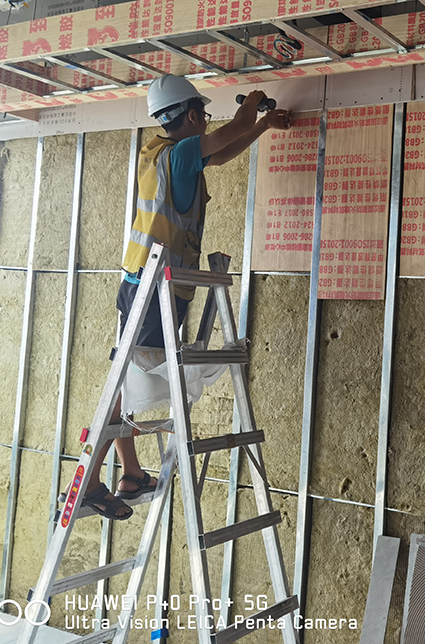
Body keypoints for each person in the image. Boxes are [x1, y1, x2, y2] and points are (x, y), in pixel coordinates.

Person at [78, 75, 292, 520]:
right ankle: (93, 480)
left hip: (148, 286)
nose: (207, 125)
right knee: (123, 388)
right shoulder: (178, 155)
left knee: (127, 382)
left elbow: (224, 149)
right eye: (204, 117)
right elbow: (226, 135)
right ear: (192, 115)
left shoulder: (163, 155)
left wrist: (263, 126)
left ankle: (130, 473)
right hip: (153, 290)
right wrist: (251, 104)